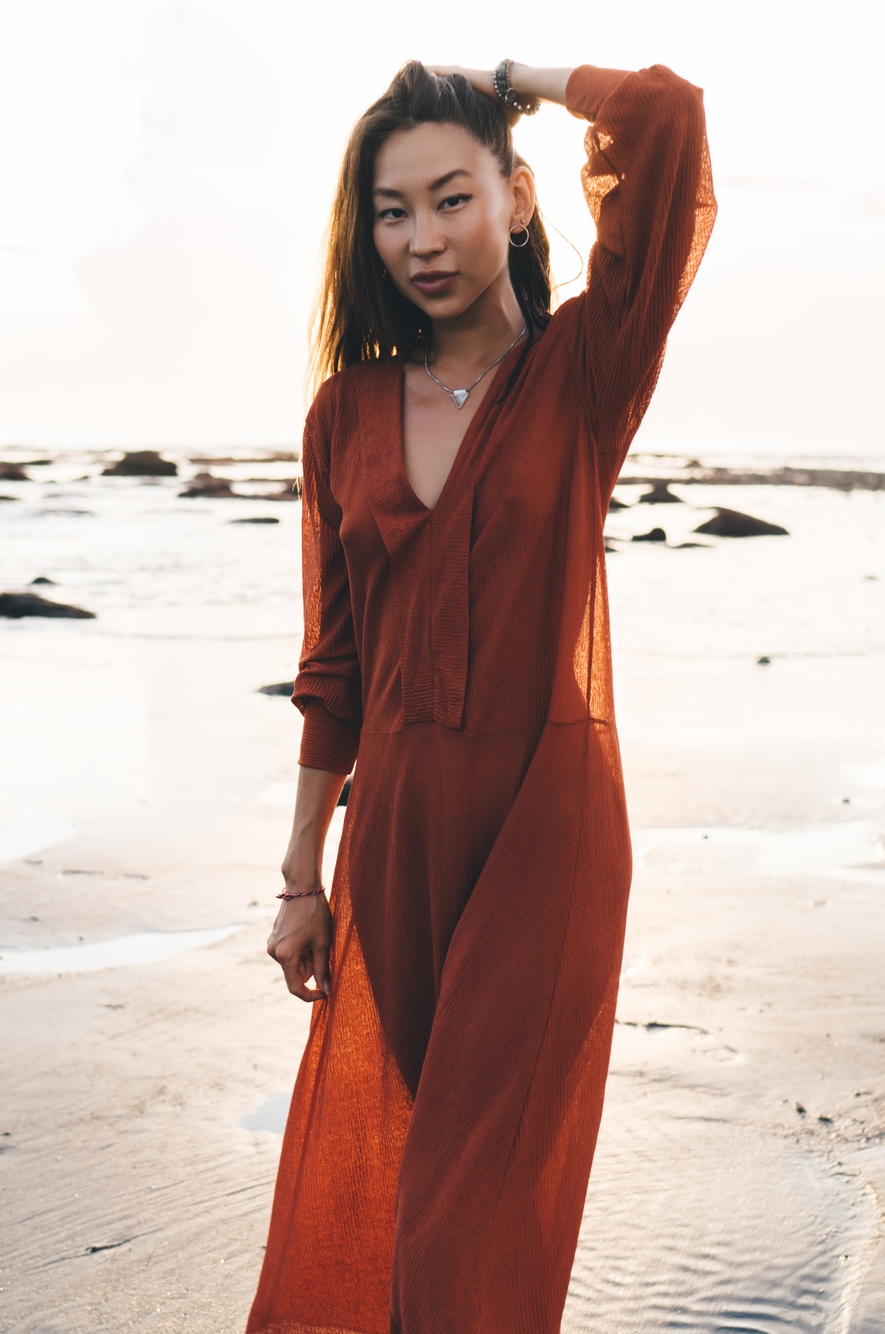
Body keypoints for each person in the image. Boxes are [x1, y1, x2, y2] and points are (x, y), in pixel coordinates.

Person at [250, 56, 714, 1333]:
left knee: (463, 1219)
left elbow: (666, 119)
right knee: (434, 1203)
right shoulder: (343, 413)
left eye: (451, 198)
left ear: (517, 198)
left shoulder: (586, 370)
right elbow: (333, 666)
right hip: (395, 837)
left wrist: (513, 79)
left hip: (543, 829)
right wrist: (301, 876)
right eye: (390, 212)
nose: (420, 238)